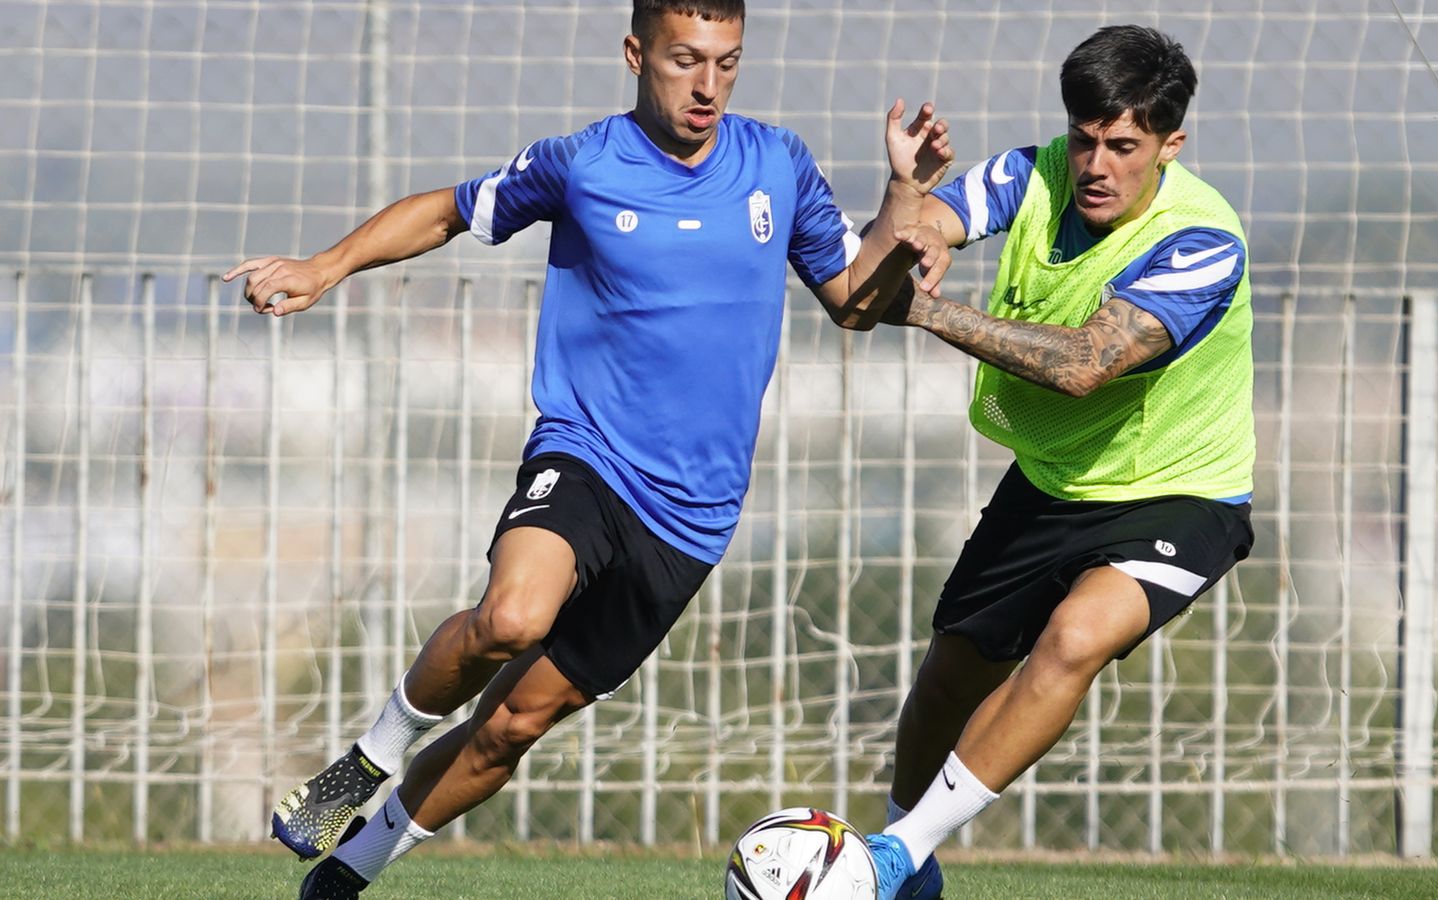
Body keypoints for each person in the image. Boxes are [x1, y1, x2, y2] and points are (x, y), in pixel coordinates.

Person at [222, 2, 953, 896]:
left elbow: (853, 296)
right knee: (512, 618)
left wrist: (904, 193)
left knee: (513, 725)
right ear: (637, 53)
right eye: (687, 60)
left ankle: (346, 873)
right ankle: (370, 757)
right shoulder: (582, 163)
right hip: (587, 452)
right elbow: (448, 212)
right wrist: (322, 267)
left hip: (693, 514)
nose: (708, 84)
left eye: (728, 63)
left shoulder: (777, 164)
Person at [863, 25, 1256, 899]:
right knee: (946, 683)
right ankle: (905, 858)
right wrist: (908, 200)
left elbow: (1085, 365)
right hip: (1050, 485)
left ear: (1169, 144)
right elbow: (914, 235)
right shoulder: (1027, 173)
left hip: (1179, 494)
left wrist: (928, 313)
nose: (1096, 165)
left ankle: (889, 858)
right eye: (1084, 139)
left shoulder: (1204, 240)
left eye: (1124, 146)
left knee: (1074, 637)